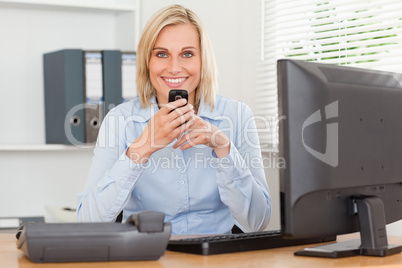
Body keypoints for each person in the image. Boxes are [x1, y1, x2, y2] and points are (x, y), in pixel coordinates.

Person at [77, 4, 271, 235]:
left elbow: (257, 223)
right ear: (147, 62)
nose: (174, 68)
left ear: (203, 60)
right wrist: (143, 146)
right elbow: (88, 222)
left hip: (216, 254)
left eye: (187, 54)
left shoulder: (237, 116)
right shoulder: (119, 120)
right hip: (146, 253)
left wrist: (224, 149)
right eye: (161, 54)